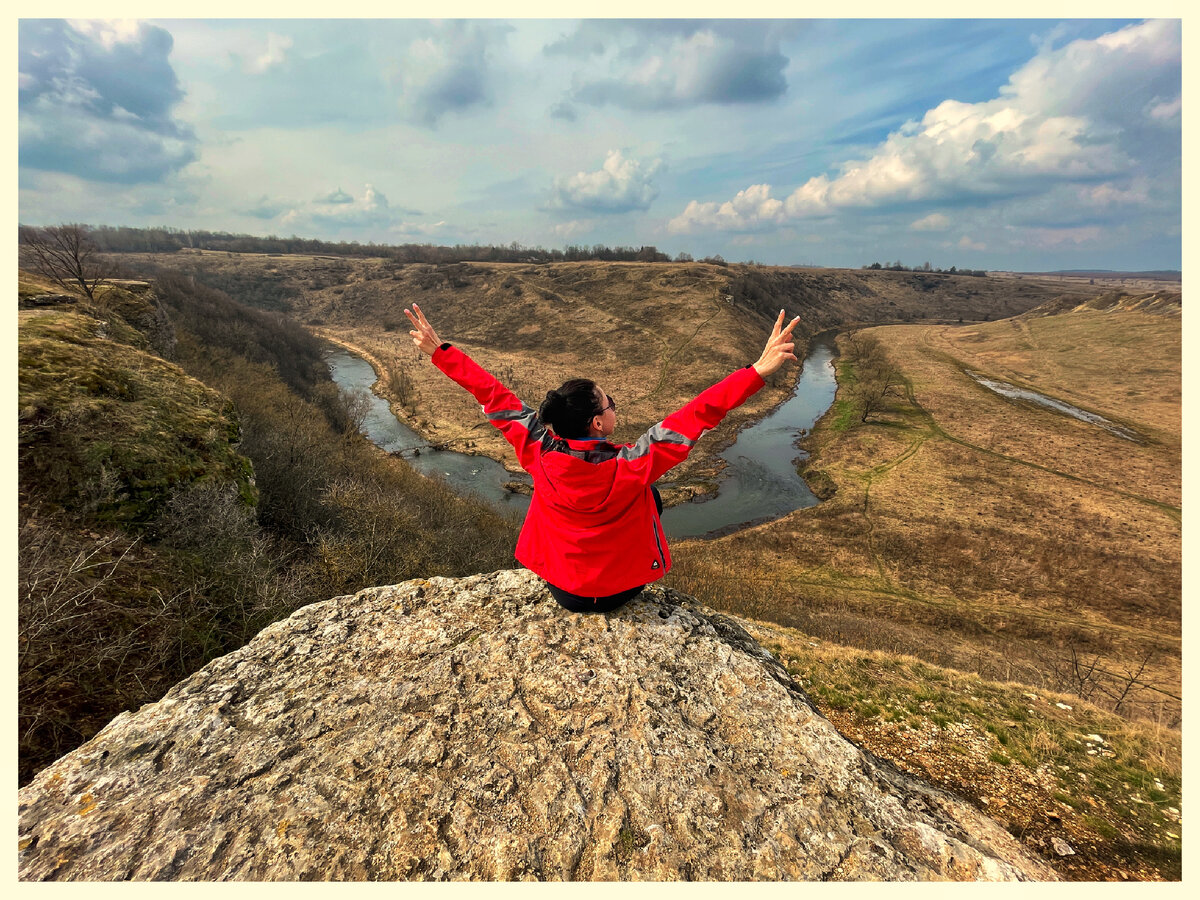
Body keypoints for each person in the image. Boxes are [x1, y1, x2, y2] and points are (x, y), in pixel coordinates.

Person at [405, 302, 800, 613]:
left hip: (563, 589)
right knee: (651, 495)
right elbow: (697, 415)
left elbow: (494, 395)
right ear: (597, 422)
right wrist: (757, 371)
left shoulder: (536, 449)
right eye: (610, 403)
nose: (614, 406)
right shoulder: (632, 464)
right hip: (620, 592)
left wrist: (440, 352)